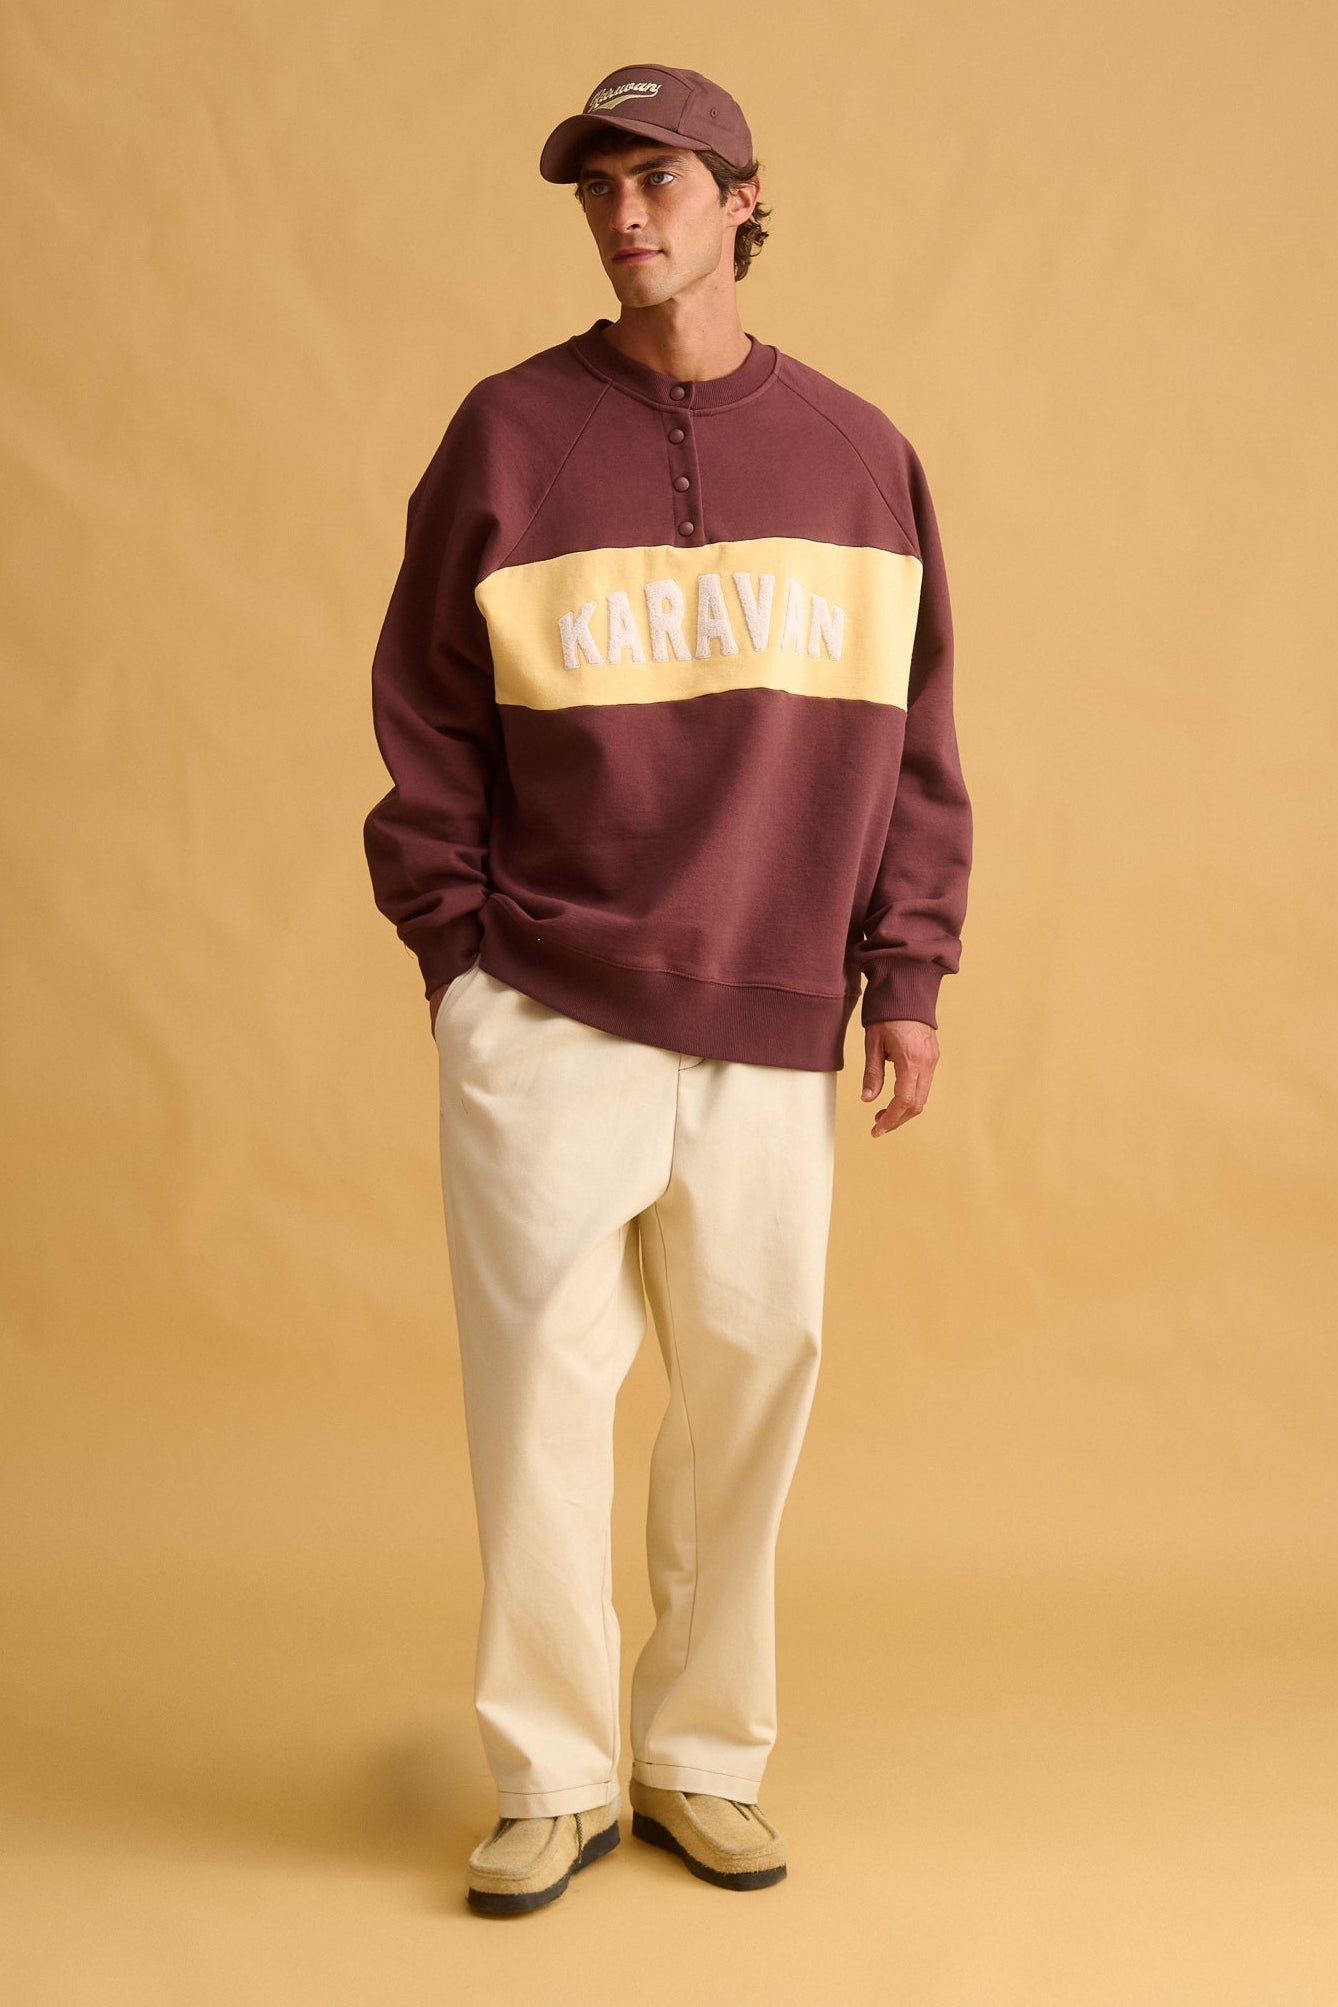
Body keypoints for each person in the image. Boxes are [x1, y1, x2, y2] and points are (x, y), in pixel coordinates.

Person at [362, 61, 972, 1916]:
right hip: (545, 1001)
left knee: (747, 1395)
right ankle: (551, 1780)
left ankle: (702, 1759)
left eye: (662, 180)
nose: (626, 214)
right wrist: (460, 960)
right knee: (537, 1401)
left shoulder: (860, 455)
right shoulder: (509, 435)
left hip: (773, 1008)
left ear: (740, 199)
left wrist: (905, 972)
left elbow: (917, 738)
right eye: (599, 187)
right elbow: (425, 712)